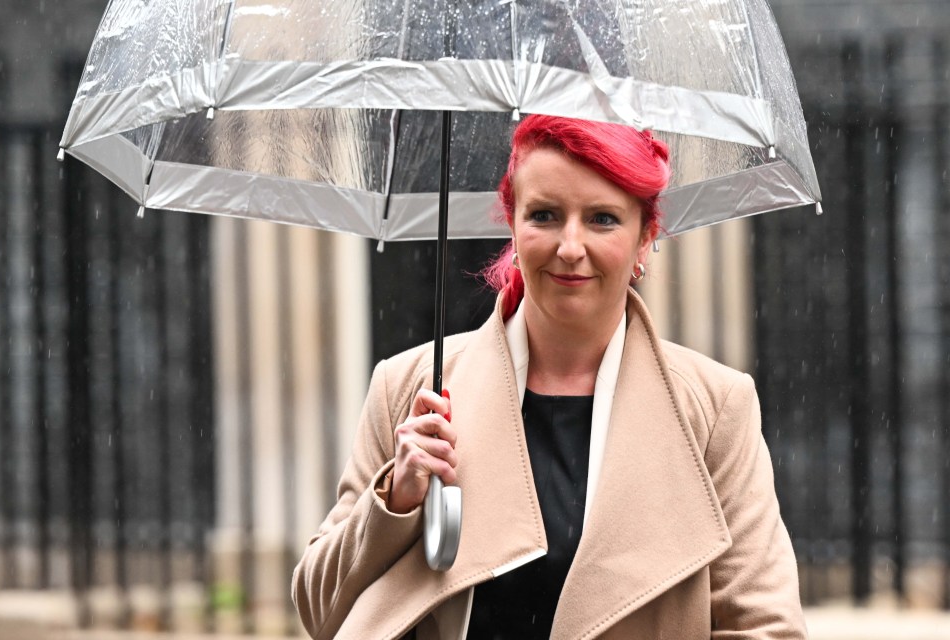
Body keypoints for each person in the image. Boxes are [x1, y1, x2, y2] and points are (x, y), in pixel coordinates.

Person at [292, 115, 806, 639]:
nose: (570, 246)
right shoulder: (411, 387)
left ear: (645, 238)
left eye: (603, 218)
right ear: (512, 225)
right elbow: (319, 610)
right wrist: (397, 500)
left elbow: (765, 625)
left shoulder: (715, 408)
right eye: (545, 215)